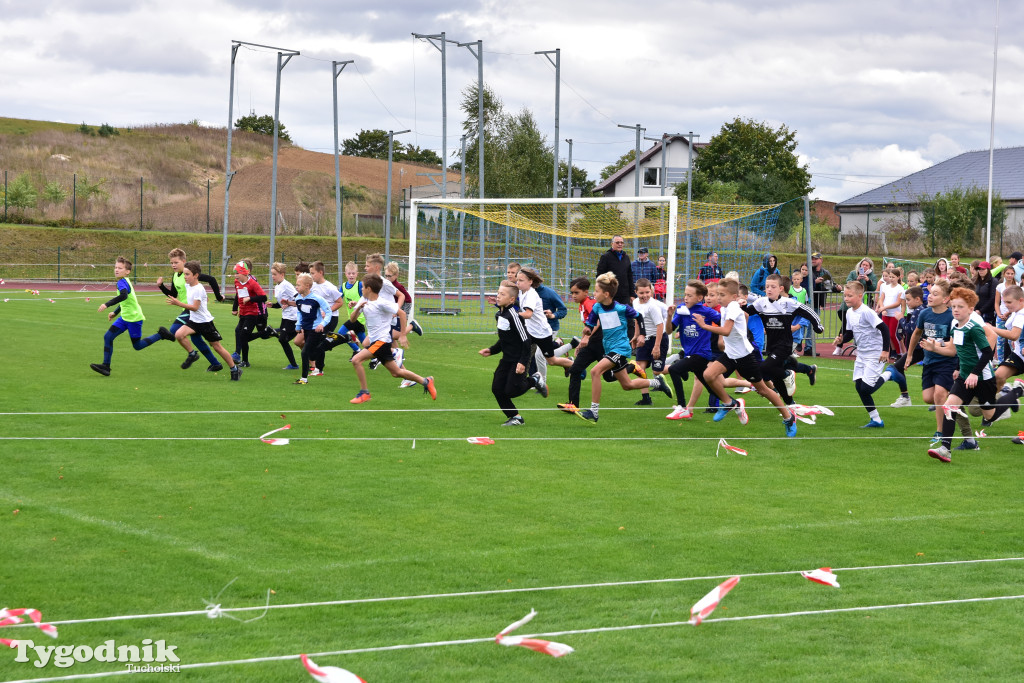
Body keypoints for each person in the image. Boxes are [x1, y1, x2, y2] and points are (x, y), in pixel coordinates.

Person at [692, 279, 798, 436]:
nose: (719, 298)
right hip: (730, 354)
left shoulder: (733, 308)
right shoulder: (726, 307)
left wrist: (704, 326)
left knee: (763, 390)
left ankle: (789, 417)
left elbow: (727, 330)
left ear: (734, 296)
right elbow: (743, 317)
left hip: (745, 357)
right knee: (707, 375)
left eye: (722, 295)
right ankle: (729, 403)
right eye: (717, 294)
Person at [575, 273, 671, 423]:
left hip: (620, 348)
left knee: (595, 372)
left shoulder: (621, 308)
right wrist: (587, 330)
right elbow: (591, 323)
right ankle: (658, 383)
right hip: (609, 348)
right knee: (627, 385)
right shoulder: (597, 307)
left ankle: (593, 412)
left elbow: (638, 316)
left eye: (596, 291)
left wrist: (641, 335)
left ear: (606, 294)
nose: (594, 293)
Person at [926, 287, 1005, 463]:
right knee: (949, 407)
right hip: (964, 376)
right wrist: (936, 349)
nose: (955, 310)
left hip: (982, 377)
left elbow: (987, 353)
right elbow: (958, 351)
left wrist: (975, 374)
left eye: (960, 306)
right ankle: (945, 449)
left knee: (989, 415)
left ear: (970, 309)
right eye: (953, 306)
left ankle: (1012, 395)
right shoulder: (954, 326)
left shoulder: (974, 328)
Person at [348, 274, 436, 404]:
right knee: (396, 372)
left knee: (356, 360)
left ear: (369, 288)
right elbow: (352, 319)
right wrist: (358, 308)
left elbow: (401, 313)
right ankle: (426, 381)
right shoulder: (364, 302)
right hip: (375, 342)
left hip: (382, 341)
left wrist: (403, 335)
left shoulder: (382, 303)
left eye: (363, 287)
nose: (361, 289)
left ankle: (364, 393)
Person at [742, 274, 823, 409]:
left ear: (780, 288)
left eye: (773, 287)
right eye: (767, 286)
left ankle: (788, 372)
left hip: (784, 345)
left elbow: (808, 311)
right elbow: (747, 311)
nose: (769, 289)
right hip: (772, 346)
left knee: (764, 368)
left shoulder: (788, 303)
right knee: (774, 376)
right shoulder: (761, 303)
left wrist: (817, 326)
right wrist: (740, 305)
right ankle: (790, 403)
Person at [142, 248, 224, 371]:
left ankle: (192, 354)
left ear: (184, 261)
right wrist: (161, 286)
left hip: (192, 310)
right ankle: (216, 364)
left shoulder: (190, 273)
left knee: (174, 329)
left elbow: (211, 279)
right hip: (187, 310)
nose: (173, 265)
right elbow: (173, 295)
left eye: (176, 262)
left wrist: (218, 297)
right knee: (196, 340)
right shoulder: (175, 276)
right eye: (171, 263)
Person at [89, 257, 171, 376]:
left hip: (134, 319)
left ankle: (161, 334)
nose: (116, 270)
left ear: (127, 271)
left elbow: (123, 296)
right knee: (108, 337)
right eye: (116, 267)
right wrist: (115, 313)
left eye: (120, 268)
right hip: (124, 318)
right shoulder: (124, 281)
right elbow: (126, 301)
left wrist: (107, 304)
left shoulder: (122, 282)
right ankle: (106, 367)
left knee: (137, 346)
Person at [479, 280, 544, 426]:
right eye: (498, 293)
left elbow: (526, 340)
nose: (498, 296)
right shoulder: (499, 315)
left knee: (511, 391)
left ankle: (535, 380)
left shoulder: (514, 315)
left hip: (518, 359)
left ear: (511, 299)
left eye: (502, 294)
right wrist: (491, 350)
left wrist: (522, 362)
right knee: (497, 388)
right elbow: (504, 340)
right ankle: (516, 417)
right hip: (506, 359)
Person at [166, 260, 240, 381]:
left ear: (196, 275)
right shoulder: (187, 285)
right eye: (184, 274)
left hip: (205, 323)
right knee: (179, 334)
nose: (185, 277)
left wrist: (178, 303)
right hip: (194, 321)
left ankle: (234, 369)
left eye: (187, 274)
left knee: (217, 347)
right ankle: (192, 354)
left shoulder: (199, 289)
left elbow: (195, 307)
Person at [833, 280, 890, 428]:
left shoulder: (867, 312)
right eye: (845, 295)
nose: (846, 298)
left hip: (875, 353)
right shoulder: (849, 313)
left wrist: (885, 350)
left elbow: (884, 329)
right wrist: (841, 340)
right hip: (862, 354)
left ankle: (890, 374)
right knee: (859, 387)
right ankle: (876, 420)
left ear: (860, 296)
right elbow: (850, 333)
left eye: (849, 296)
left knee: (866, 388)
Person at [665, 280, 721, 420]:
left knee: (673, 369)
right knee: (711, 387)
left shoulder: (706, 311)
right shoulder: (682, 309)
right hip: (690, 353)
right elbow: (669, 331)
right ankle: (734, 403)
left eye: (689, 296)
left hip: (702, 354)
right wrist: (669, 316)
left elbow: (725, 324)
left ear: (699, 298)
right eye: (685, 295)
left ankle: (682, 407)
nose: (685, 298)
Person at [515, 268, 573, 396]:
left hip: (542, 333)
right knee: (523, 354)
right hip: (531, 332)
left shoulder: (531, 294)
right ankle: (523, 382)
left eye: (521, 280)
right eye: (517, 280)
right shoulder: (521, 291)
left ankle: (574, 364)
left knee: (550, 360)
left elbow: (528, 314)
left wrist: (513, 315)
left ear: (530, 281)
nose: (518, 283)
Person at [557, 277, 603, 415]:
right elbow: (587, 326)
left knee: (610, 376)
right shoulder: (582, 304)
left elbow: (598, 322)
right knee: (575, 369)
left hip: (601, 343)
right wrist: (582, 342)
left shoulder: (590, 303)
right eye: (572, 293)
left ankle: (631, 367)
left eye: (576, 293)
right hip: (591, 343)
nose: (573, 296)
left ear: (585, 292)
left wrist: (587, 337)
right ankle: (573, 405)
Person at [880, 286, 926, 408]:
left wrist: (900, 319)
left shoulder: (919, 311)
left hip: (920, 348)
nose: (906, 302)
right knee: (898, 367)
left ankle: (906, 397)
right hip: (918, 348)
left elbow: (910, 330)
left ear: (917, 299)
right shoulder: (919, 310)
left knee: (897, 367)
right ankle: (905, 397)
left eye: (908, 299)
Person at [631, 278, 668, 405]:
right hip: (644, 339)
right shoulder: (635, 303)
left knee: (657, 371)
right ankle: (646, 398)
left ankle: (677, 368)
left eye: (647, 292)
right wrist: (636, 336)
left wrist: (657, 346)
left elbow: (660, 326)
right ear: (636, 292)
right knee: (639, 368)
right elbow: (637, 320)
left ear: (651, 291)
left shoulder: (653, 306)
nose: (645, 295)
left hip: (658, 339)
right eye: (641, 293)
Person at [290, 273, 331, 385]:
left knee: (305, 353)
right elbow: (299, 313)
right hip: (306, 329)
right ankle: (335, 340)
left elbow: (328, 312)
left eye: (298, 285)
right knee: (314, 352)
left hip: (316, 330)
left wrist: (322, 324)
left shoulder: (317, 299)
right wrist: (298, 325)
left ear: (307, 286)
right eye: (296, 284)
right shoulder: (298, 299)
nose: (296, 287)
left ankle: (304, 379)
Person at [230, 260, 273, 368]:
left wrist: (250, 298)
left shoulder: (253, 283)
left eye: (237, 273)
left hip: (252, 313)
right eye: (235, 273)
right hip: (243, 313)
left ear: (245, 273)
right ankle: (265, 332)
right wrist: (235, 308)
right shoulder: (236, 282)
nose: (235, 276)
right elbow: (238, 295)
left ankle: (245, 361)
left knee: (243, 336)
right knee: (242, 335)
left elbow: (263, 297)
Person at [269, 262, 301, 370]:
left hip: (293, 317)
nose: (272, 276)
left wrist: (289, 303)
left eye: (274, 274)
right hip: (285, 317)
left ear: (282, 274)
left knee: (283, 339)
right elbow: (281, 303)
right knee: (283, 339)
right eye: (272, 274)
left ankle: (294, 364)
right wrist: (272, 305)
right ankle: (294, 364)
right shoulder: (278, 286)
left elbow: (298, 298)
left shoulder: (287, 285)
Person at [595, 235, 634, 304]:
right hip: (611, 295)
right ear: (612, 244)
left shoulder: (626, 258)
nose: (620, 244)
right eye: (617, 242)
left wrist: (632, 294)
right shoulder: (605, 257)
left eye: (622, 242)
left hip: (625, 296)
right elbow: (599, 276)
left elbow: (629, 276)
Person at [875, 267, 905, 354]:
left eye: (893, 277)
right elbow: (881, 299)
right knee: (885, 334)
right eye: (890, 277)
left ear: (898, 277)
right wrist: (882, 307)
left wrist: (884, 307)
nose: (891, 279)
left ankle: (899, 353)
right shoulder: (885, 287)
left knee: (892, 334)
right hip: (886, 314)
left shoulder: (900, 288)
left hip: (894, 314)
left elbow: (898, 303)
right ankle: (886, 352)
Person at [994, 266, 1018, 362]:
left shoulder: (1017, 287)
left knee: (1012, 340)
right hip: (1001, 316)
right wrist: (999, 314)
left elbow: (1018, 304)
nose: (1010, 275)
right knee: (1000, 340)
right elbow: (996, 302)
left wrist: (1008, 313)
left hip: (1013, 316)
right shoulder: (1000, 286)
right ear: (1004, 274)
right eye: (1008, 273)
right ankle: (1000, 362)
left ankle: (1016, 361)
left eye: (1012, 274)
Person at [789, 269, 810, 353]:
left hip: (800, 314)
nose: (796, 281)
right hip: (791, 314)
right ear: (792, 279)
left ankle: (792, 350)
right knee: (790, 332)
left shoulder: (804, 290)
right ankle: (789, 350)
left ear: (801, 280)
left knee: (798, 333)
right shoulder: (790, 289)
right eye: (794, 279)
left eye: (798, 279)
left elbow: (806, 301)